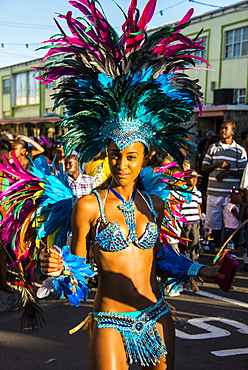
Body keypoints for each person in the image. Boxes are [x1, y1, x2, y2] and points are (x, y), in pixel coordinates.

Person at [6, 1, 224, 368]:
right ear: (107, 153)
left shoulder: (153, 203)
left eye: (131, 157)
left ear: (145, 157)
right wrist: (56, 267)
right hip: (110, 320)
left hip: (156, 315)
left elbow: (160, 256)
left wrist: (197, 269)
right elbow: (75, 271)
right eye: (115, 154)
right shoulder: (89, 205)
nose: (122, 164)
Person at [202, 121, 247, 251]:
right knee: (214, 224)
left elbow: (244, 173)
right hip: (213, 193)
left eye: (226, 129)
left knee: (230, 225)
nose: (223, 131)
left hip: (231, 196)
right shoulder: (213, 148)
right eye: (222, 128)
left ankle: (228, 252)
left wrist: (229, 172)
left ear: (232, 131)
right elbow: (204, 168)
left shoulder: (239, 150)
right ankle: (217, 249)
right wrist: (217, 165)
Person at [180, 171, 202, 260]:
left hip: (195, 220)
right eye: (192, 178)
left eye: (196, 178)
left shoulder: (198, 193)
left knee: (195, 240)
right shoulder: (181, 191)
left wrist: (200, 218)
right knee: (185, 239)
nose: (194, 180)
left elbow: (198, 207)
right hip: (185, 220)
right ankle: (185, 257)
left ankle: (194, 259)